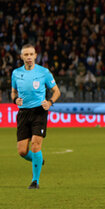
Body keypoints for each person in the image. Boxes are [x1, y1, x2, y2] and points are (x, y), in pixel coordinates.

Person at [11, 44, 61, 189]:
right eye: (26, 54)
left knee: (35, 145)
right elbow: (13, 92)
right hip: (23, 113)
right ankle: (38, 159)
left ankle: (35, 181)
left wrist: (50, 102)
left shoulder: (44, 72)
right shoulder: (16, 73)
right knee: (22, 151)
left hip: (39, 112)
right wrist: (15, 100)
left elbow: (56, 91)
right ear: (21, 57)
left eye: (31, 54)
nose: (29, 57)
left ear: (35, 56)